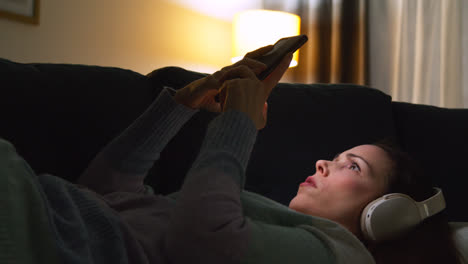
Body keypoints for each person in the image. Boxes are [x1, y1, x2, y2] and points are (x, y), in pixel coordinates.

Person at [0, 45, 461, 264]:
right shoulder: (271, 225)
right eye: (338, 156)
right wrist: (181, 105)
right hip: (43, 207)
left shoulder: (340, 256)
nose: (324, 162)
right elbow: (102, 195)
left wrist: (238, 122)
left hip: (40, 235)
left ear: (388, 214)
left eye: (352, 166)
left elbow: (202, 242)